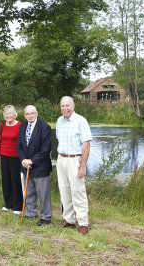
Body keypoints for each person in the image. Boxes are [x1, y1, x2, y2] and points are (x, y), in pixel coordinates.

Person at [56, 96, 92, 235]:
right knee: (64, 191)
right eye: (62, 106)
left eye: (67, 105)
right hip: (62, 159)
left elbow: (86, 144)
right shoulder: (59, 121)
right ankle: (69, 219)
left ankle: (83, 222)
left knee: (78, 191)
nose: (65, 108)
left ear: (73, 106)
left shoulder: (80, 121)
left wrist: (83, 166)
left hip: (74, 160)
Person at [17, 105, 52, 226]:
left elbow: (46, 149)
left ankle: (46, 217)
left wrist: (32, 160)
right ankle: (31, 212)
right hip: (26, 165)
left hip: (40, 166)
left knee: (43, 193)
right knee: (29, 191)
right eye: (27, 114)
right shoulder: (22, 126)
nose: (30, 116)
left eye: (32, 113)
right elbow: (19, 145)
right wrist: (23, 160)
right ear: (24, 115)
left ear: (36, 113)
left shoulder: (44, 127)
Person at [0, 105, 22, 215]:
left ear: (14, 114)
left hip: (16, 156)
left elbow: (21, 142)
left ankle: (17, 206)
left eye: (10, 113)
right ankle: (8, 204)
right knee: (6, 180)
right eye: (6, 113)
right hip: (4, 155)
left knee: (15, 180)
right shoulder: (2, 125)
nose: (8, 115)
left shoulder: (20, 125)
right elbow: (0, 140)